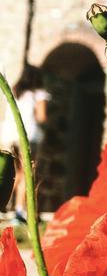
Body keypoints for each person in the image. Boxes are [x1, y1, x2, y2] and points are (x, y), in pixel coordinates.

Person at [3, 64, 49, 223]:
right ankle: (20, 210)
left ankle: (5, 205)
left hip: (9, 134)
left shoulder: (16, 92)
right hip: (28, 135)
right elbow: (42, 117)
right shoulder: (39, 93)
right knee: (26, 173)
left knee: (13, 174)